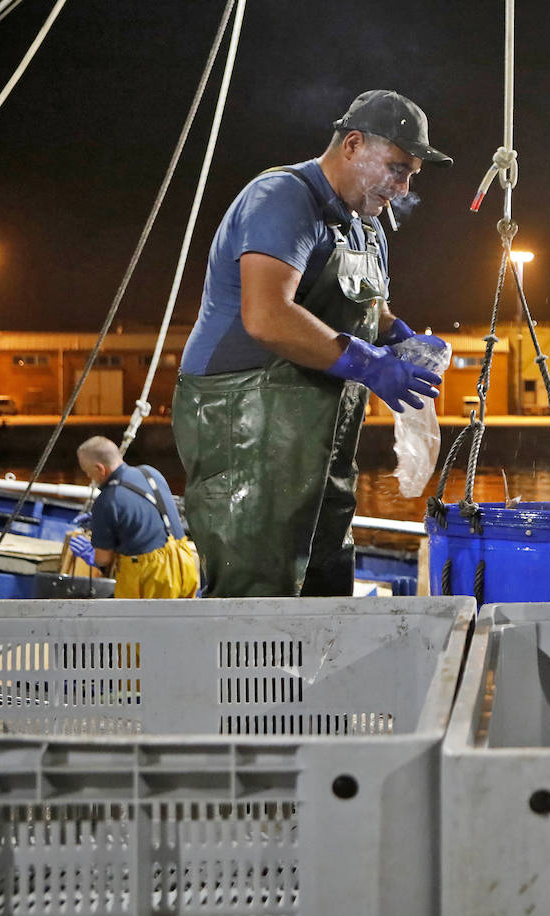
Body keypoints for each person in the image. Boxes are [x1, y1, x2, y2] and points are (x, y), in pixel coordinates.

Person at [173, 89, 450, 597]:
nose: (404, 185)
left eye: (412, 173)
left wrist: (397, 335)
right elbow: (268, 315)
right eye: (396, 167)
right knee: (257, 591)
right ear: (352, 146)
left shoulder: (367, 227)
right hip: (245, 422)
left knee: (324, 583)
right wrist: (370, 363)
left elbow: (371, 306)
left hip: (321, 436)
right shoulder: (282, 198)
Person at [68, 436, 199, 599]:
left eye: (88, 472)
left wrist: (91, 554)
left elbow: (103, 559)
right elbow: (142, 516)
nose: (90, 478)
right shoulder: (150, 472)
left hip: (153, 578)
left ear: (100, 468)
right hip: (184, 564)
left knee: (141, 624)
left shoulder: (107, 499)